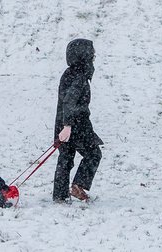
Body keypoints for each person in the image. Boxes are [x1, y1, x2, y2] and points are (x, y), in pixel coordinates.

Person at [53, 38, 102, 202]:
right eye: (91, 54)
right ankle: (78, 185)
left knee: (65, 159)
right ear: (83, 56)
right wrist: (68, 126)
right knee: (94, 154)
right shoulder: (80, 77)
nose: (94, 57)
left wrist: (63, 125)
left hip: (64, 123)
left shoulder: (68, 73)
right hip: (77, 125)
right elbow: (69, 101)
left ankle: (60, 195)